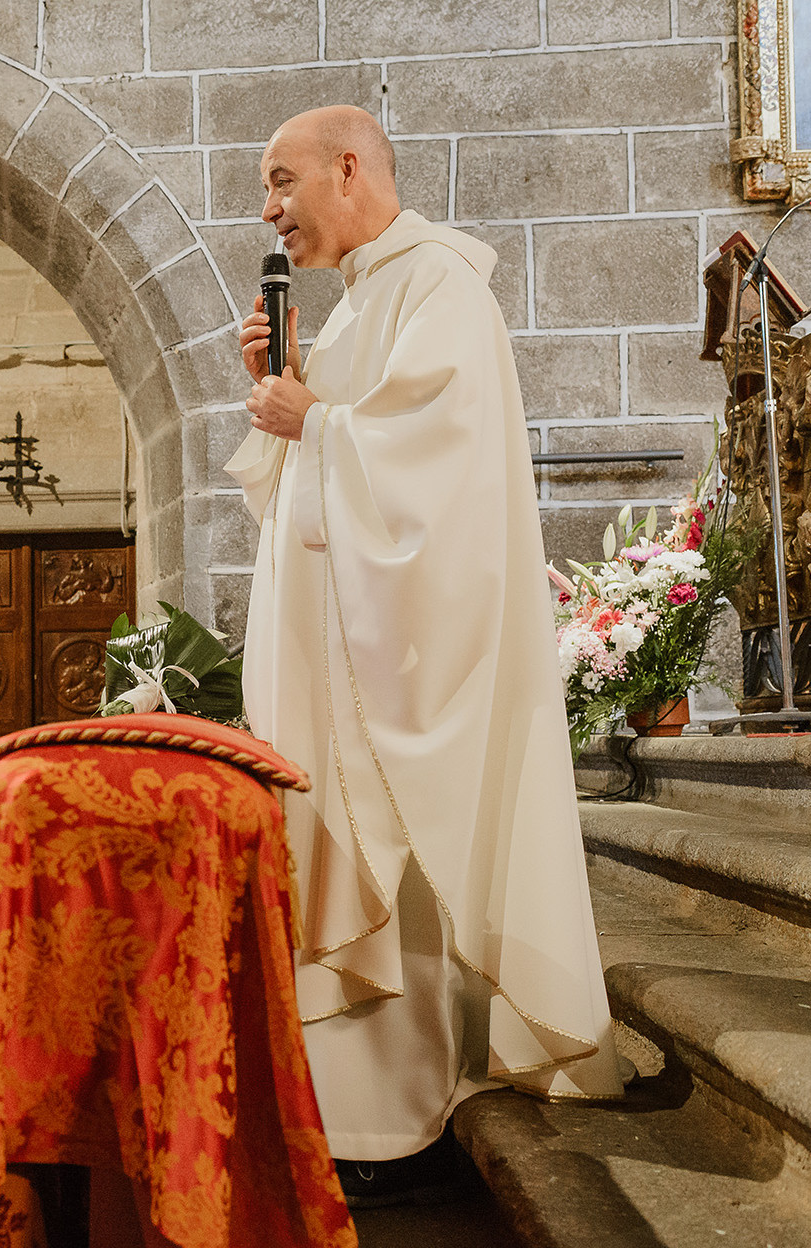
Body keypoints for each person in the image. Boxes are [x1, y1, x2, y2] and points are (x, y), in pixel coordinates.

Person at [225, 105, 621, 1202]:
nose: (269, 209)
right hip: (332, 654)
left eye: (281, 179)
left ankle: (388, 1118)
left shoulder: (439, 286)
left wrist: (320, 421)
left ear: (349, 168)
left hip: (384, 664)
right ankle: (341, 1111)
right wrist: (285, 396)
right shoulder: (356, 307)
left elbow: (438, 470)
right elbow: (297, 486)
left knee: (379, 860)